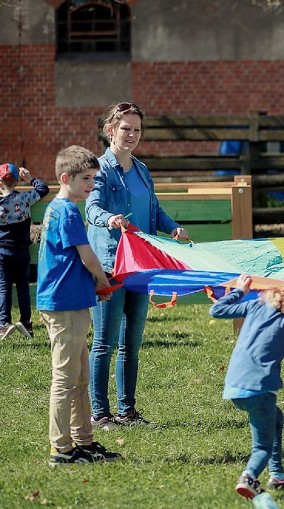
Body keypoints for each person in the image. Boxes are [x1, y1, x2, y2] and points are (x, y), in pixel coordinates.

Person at [85, 102, 189, 429]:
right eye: (125, 128)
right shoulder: (99, 169)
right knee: (104, 342)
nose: (131, 134)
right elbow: (91, 208)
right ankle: (99, 414)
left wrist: (172, 227)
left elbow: (155, 211)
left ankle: (126, 411)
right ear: (111, 130)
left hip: (141, 267)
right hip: (110, 266)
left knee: (132, 344)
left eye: (137, 129)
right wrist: (109, 219)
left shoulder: (142, 170)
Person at [37, 145, 121, 466]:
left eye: (94, 179)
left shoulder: (62, 209)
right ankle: (61, 449)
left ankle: (83, 441)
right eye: (85, 178)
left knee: (80, 376)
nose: (91, 185)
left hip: (73, 302)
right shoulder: (67, 211)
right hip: (63, 306)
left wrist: (93, 287)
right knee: (65, 378)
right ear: (65, 178)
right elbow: (87, 256)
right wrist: (103, 282)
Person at [210, 274, 284, 501]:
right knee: (262, 448)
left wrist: (240, 291)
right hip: (261, 390)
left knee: (276, 418)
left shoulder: (255, 306)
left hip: (234, 386)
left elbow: (216, 311)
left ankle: (278, 476)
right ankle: (249, 478)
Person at [1, 163, 49, 340]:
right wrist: (30, 179)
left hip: (2, 252)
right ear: (17, 180)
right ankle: (26, 322)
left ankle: (3, 323)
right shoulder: (25, 198)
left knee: (4, 286)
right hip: (22, 251)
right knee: (23, 286)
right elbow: (42, 189)